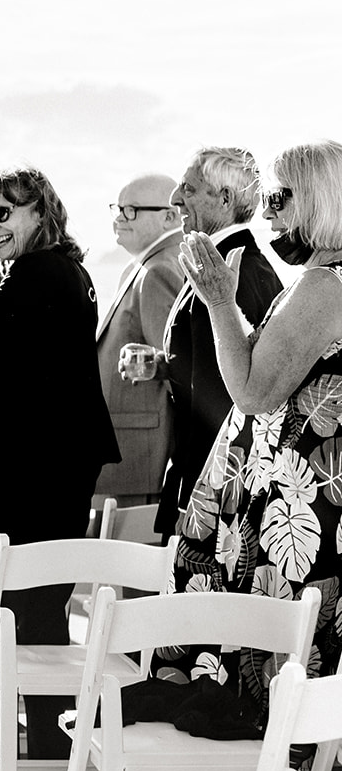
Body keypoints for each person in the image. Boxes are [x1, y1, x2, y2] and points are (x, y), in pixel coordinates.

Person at [0, 167, 119, 771]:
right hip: (52, 466)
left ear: (39, 210)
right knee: (36, 613)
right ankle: (41, 760)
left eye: (0, 215)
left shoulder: (42, 273)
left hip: (35, 470)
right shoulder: (55, 271)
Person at [171, 140, 342, 707]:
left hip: (291, 505)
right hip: (312, 498)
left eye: (277, 198)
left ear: (319, 200)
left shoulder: (325, 287)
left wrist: (219, 299)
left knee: (270, 669)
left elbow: (251, 392)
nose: (265, 214)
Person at [119, 148, 281, 536]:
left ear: (225, 199)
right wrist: (163, 364)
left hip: (215, 491)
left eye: (189, 188)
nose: (176, 199)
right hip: (199, 480)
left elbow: (240, 392)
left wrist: (199, 495)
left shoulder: (241, 271)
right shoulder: (216, 263)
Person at [94, 174, 185, 509]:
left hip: (139, 460)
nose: (119, 217)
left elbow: (178, 369)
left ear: (170, 216)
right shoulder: (147, 265)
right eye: (118, 208)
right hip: (130, 457)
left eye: (131, 209)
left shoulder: (158, 271)